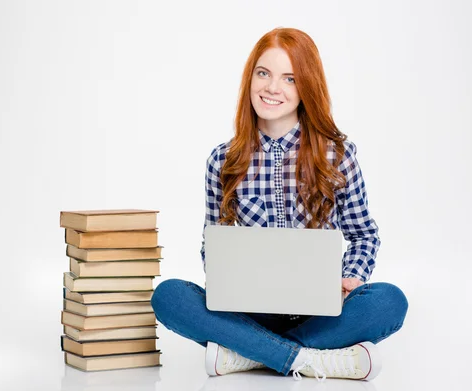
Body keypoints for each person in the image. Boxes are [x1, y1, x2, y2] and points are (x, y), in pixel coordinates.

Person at [150, 27, 408, 382]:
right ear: (250, 79)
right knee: (169, 296)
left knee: (389, 301)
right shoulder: (222, 162)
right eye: (264, 73)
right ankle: (306, 358)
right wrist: (226, 277)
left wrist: (351, 278)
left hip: (322, 312)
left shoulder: (338, 157)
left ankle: (248, 354)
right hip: (252, 312)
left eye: (289, 78)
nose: (273, 88)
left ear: (306, 87)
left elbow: (364, 236)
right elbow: (214, 245)